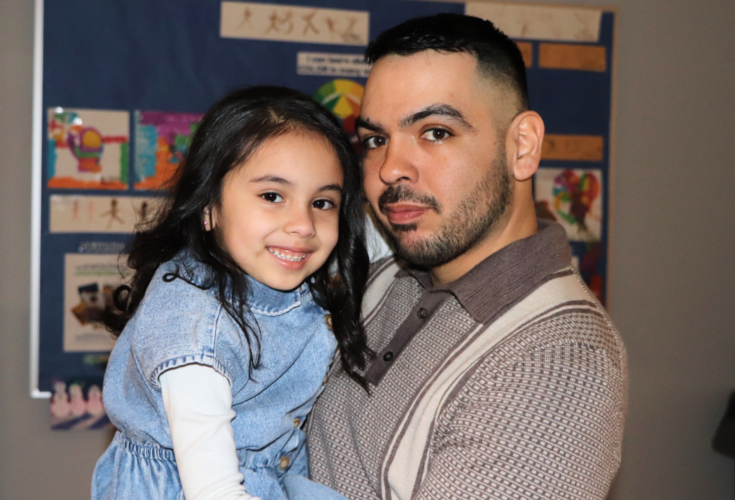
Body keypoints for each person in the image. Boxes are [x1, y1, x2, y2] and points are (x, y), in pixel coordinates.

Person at [307, 13, 628, 500]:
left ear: (522, 146)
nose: (391, 168)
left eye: (436, 132)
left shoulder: (557, 361)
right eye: (376, 140)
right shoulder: (385, 268)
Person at [91, 86, 370, 500]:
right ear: (208, 206)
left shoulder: (270, 270)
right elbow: (215, 492)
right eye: (272, 196)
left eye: (323, 203)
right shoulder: (194, 329)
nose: (303, 225)